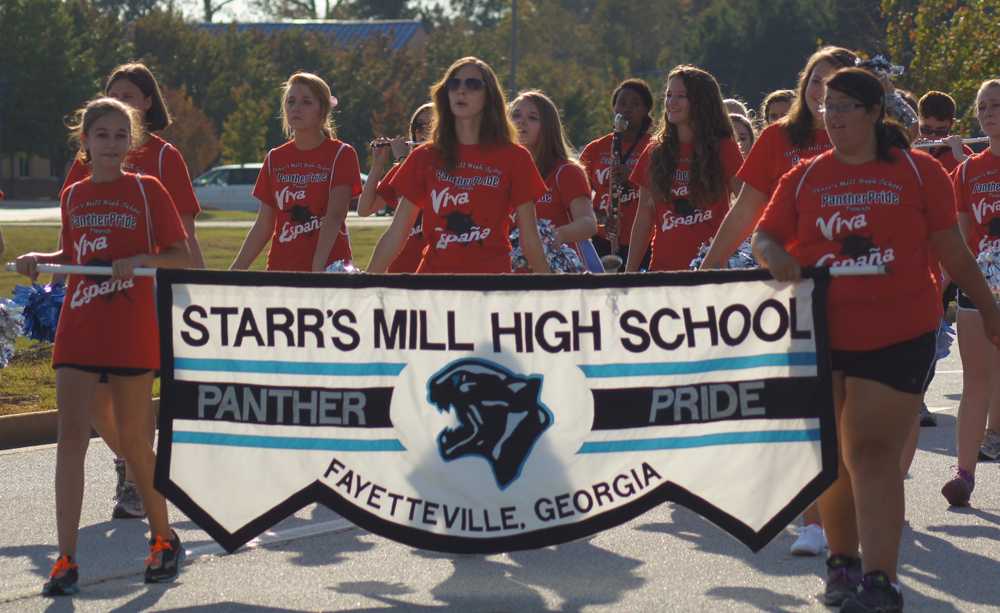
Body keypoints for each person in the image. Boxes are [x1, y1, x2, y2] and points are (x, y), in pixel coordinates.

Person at [752, 67, 1000, 612]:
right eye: (826, 107)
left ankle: (882, 582)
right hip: (823, 331)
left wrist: (986, 303)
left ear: (872, 112)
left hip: (900, 330)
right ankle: (842, 564)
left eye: (844, 106)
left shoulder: (918, 173)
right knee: (835, 456)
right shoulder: (806, 176)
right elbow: (765, 234)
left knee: (871, 452)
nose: (832, 116)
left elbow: (953, 249)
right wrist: (777, 258)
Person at [14, 97, 191, 595]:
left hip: (130, 328)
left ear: (131, 141)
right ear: (85, 142)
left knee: (135, 441)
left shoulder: (148, 190)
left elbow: (180, 255)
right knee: (70, 441)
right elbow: (72, 255)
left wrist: (137, 260)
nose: (111, 143)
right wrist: (39, 259)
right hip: (80, 326)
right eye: (101, 135)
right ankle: (65, 557)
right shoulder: (74, 194)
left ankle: (163, 537)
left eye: (120, 135)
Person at [60, 62, 205, 521]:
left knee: (136, 390)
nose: (119, 105)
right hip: (96, 300)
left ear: (145, 106)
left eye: (128, 97)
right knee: (98, 401)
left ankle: (139, 483)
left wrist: (191, 284)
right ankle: (136, 463)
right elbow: (75, 232)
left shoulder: (163, 159)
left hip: (151, 290)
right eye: (111, 95)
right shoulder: (86, 160)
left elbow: (182, 232)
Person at [367, 57, 550, 274]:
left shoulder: (515, 157)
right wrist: (366, 288)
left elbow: (530, 239)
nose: (461, 91)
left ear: (489, 96)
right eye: (454, 84)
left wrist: (547, 290)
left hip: (490, 289)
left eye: (472, 84)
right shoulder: (424, 156)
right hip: (433, 288)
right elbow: (395, 235)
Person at [700, 46, 858, 271]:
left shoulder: (865, 139)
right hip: (788, 274)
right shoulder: (776, 136)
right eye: (816, 81)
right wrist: (706, 271)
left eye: (834, 84)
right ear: (804, 83)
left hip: (852, 268)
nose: (822, 91)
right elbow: (744, 211)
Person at [231, 72, 362, 272]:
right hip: (282, 271)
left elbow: (334, 216)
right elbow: (264, 225)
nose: (296, 108)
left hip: (328, 270)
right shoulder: (275, 157)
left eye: (306, 102)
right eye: (291, 102)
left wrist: (317, 269)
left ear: (322, 110)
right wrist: (234, 273)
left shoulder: (341, 154)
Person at [626, 65, 743, 272]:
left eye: (681, 96)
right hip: (663, 274)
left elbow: (745, 206)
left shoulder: (724, 148)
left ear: (700, 102)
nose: (671, 102)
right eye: (669, 95)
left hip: (710, 273)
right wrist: (628, 275)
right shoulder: (654, 152)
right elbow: (644, 217)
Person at [944, 79, 1000, 504]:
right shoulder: (967, 171)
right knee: (975, 380)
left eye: (996, 105)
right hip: (982, 287)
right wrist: (948, 283)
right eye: (982, 106)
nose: (988, 113)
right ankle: (964, 473)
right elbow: (962, 237)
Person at [509, 90, 597, 258]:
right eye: (516, 115)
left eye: (532, 117)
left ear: (548, 127)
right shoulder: (502, 172)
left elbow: (588, 224)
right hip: (510, 272)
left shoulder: (567, 172)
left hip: (556, 270)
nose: (521, 122)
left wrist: (556, 236)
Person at [580, 79, 654, 271]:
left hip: (643, 241)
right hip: (603, 239)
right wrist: (602, 219)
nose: (627, 109)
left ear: (646, 110)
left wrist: (634, 176)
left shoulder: (655, 148)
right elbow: (578, 198)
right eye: (622, 103)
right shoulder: (595, 149)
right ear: (613, 108)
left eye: (635, 104)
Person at [357, 102, 434, 273]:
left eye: (432, 124)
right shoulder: (403, 168)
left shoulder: (451, 170)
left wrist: (402, 159)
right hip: (399, 269)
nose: (424, 132)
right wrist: (377, 165)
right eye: (419, 126)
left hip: (430, 270)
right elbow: (364, 209)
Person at [918, 90, 973, 173]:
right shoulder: (905, 151)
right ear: (917, 122)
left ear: (952, 124)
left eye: (940, 131)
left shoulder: (963, 152)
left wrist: (961, 158)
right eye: (926, 130)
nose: (933, 137)